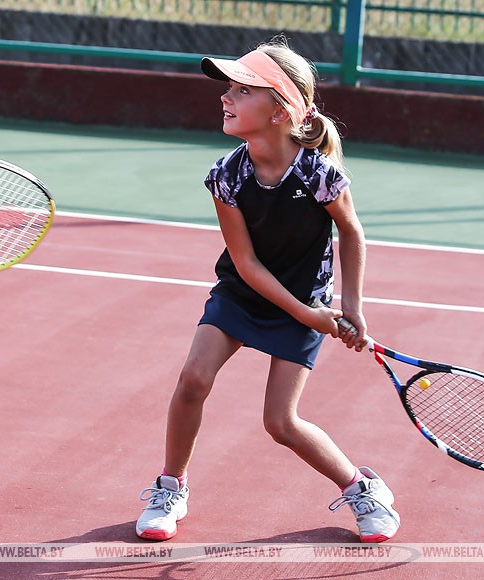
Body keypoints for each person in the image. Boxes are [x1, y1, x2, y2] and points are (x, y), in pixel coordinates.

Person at [135, 38, 400, 544]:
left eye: (241, 90)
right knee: (193, 378)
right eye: (228, 89)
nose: (225, 98)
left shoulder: (320, 176)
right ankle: (170, 487)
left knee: (280, 422)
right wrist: (307, 314)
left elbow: (352, 231)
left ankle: (362, 487)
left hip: (307, 300)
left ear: (279, 110)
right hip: (244, 294)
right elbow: (246, 262)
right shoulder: (227, 175)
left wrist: (350, 307)